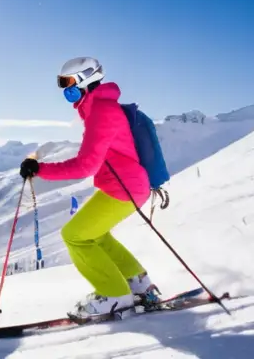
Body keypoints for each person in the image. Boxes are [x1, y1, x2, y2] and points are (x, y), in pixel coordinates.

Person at [19, 56, 159, 317]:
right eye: (62, 83)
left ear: (87, 79)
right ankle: (138, 284)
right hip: (123, 187)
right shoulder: (97, 109)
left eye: (69, 82)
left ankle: (116, 295)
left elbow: (85, 166)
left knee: (74, 235)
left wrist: (40, 170)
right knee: (95, 235)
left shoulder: (102, 112)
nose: (65, 89)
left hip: (125, 188)